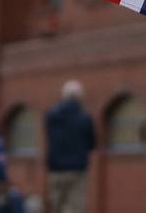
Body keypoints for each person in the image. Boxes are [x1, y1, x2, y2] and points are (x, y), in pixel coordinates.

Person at [44, 80, 96, 213]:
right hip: (77, 169)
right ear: (79, 97)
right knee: (74, 206)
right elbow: (92, 143)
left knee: (56, 205)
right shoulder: (84, 118)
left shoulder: (51, 116)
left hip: (55, 168)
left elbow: (49, 137)